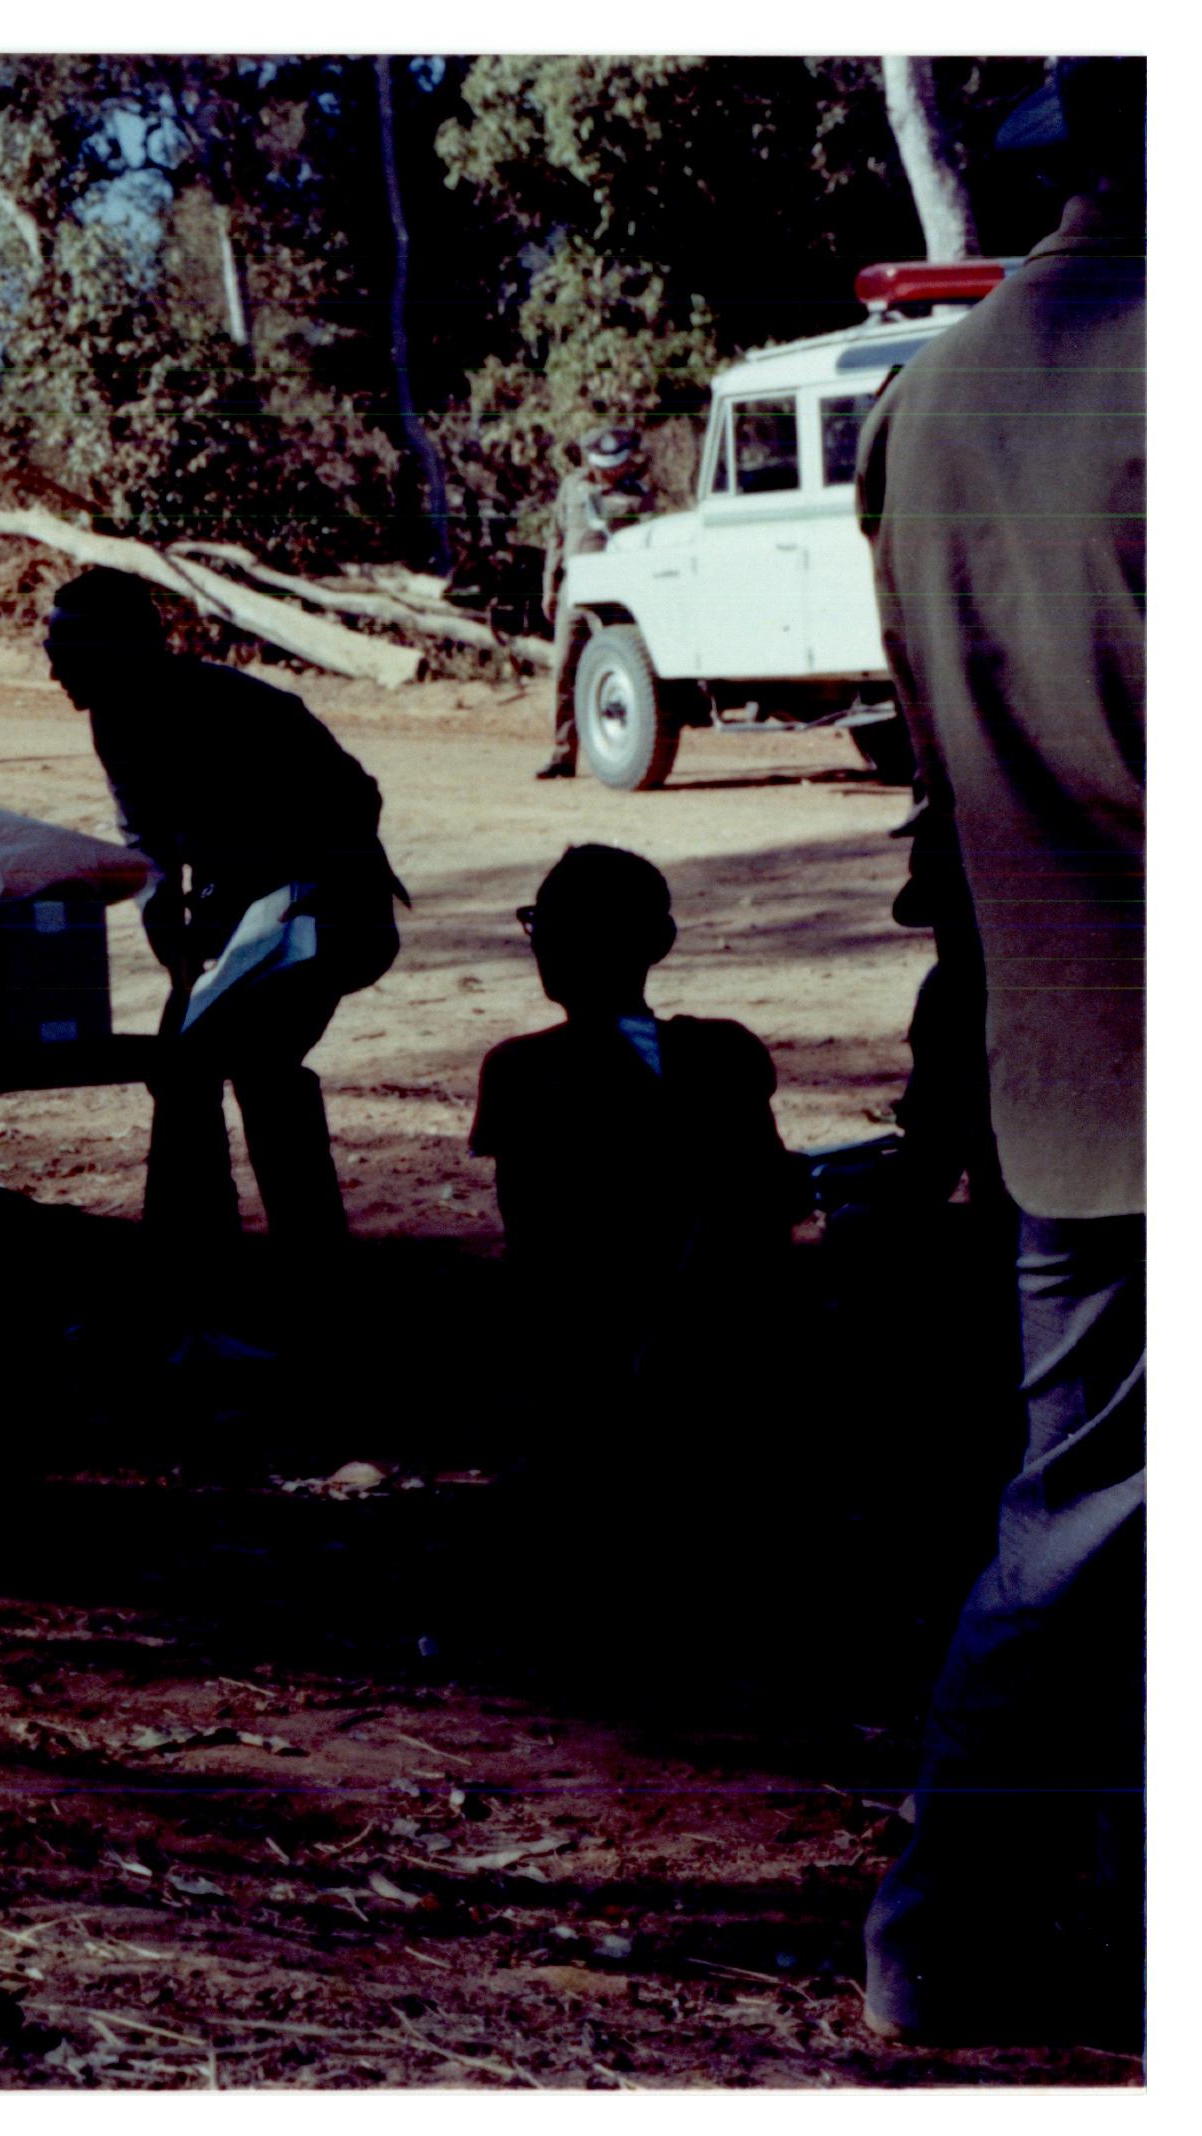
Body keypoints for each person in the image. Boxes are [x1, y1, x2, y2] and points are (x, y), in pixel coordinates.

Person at [850, 57, 1145, 2050]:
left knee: (1075, 1512)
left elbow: (934, 771)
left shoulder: (929, 403)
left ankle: (946, 1928)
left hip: (1058, 1055)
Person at [41, 567, 403, 1253]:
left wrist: (261, 892)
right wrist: (170, 930)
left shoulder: (238, 706)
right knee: (180, 1061)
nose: (55, 673)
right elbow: (148, 842)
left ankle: (307, 1253)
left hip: (330, 917)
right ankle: (195, 1242)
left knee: (258, 1064)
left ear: (116, 652)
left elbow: (357, 798)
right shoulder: (114, 717)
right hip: (242, 926)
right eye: (51, 654)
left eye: (65, 656)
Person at [470, 844, 803, 1373]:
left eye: (571, 924)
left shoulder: (521, 1069)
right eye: (544, 920)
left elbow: (533, 1245)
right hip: (725, 1342)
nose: (548, 940)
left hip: (586, 1351)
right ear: (659, 943)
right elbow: (772, 1206)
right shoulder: (724, 1053)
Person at [535, 426, 656, 779]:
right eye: (604, 465)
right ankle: (563, 754)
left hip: (617, 597)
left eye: (617, 464)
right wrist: (550, 587)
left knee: (618, 669)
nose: (611, 471)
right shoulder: (572, 487)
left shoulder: (638, 496)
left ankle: (623, 749)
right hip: (574, 591)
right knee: (564, 669)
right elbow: (557, 537)